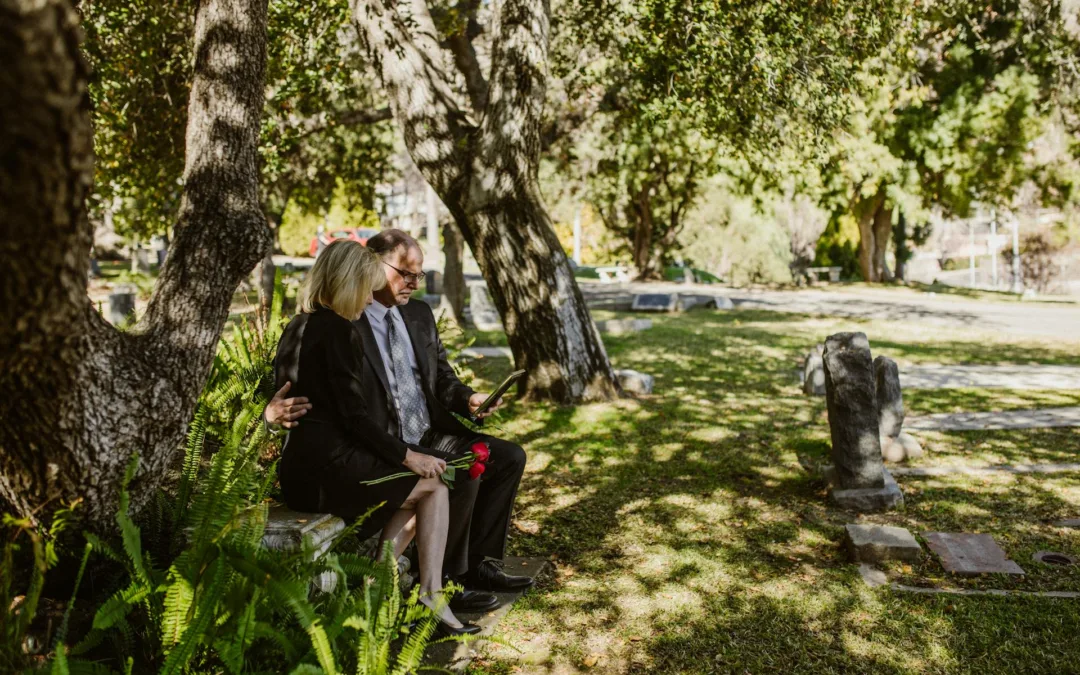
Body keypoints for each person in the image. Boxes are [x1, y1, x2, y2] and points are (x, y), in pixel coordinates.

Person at [266, 229, 533, 611]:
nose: (413, 282)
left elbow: (441, 377)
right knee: (461, 468)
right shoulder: (344, 317)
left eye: (419, 274)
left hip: (426, 430)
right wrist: (269, 413)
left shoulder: (420, 314)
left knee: (507, 457)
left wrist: (469, 399)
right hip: (379, 440)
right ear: (373, 265)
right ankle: (445, 580)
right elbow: (299, 389)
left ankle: (480, 564)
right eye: (405, 272)